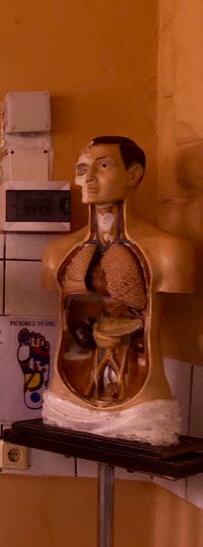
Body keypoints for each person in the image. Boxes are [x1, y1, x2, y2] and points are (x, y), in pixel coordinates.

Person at [41, 136, 194, 444]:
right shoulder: (57, 253)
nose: (88, 178)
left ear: (134, 174)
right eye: (82, 169)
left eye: (103, 166)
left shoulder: (169, 252)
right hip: (65, 401)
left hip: (141, 408)